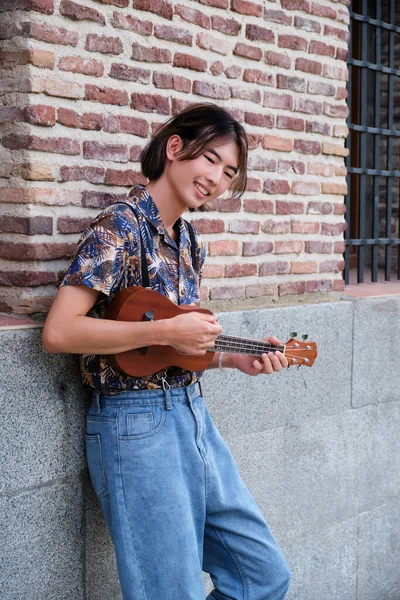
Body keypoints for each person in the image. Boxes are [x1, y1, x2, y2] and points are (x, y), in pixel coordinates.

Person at [42, 103, 291, 600]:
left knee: (262, 576)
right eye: (211, 160)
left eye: (230, 172)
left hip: (192, 416)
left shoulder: (189, 240)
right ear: (175, 148)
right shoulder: (120, 227)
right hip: (134, 427)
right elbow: (60, 332)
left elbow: (174, 345)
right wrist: (168, 334)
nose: (217, 178)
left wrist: (229, 357)